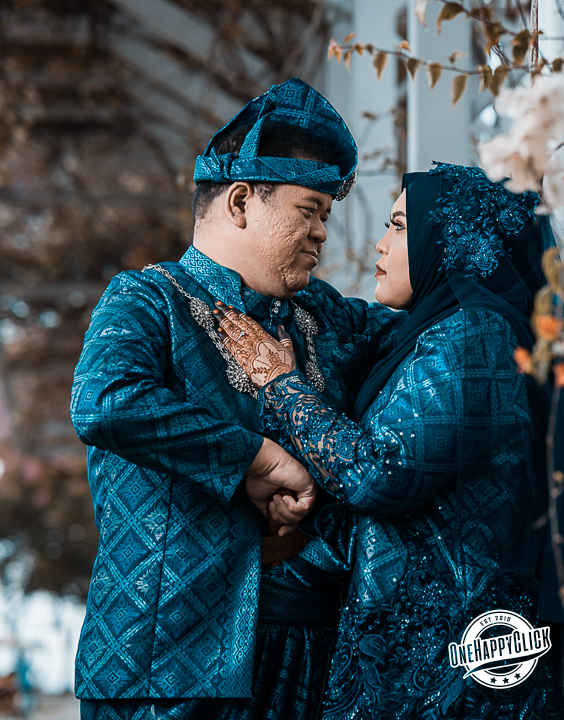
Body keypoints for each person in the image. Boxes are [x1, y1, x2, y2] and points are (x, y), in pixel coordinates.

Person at [216, 162, 564, 718]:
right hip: (421, 641)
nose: (381, 243)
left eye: (398, 226)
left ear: (450, 242)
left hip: (456, 654)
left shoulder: (476, 335)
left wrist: (280, 384)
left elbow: (378, 475)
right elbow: (344, 325)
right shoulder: (435, 332)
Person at [70, 78, 403, 720]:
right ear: (243, 201)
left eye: (326, 217)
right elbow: (106, 402)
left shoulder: (324, 316)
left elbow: (433, 338)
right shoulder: (147, 299)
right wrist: (257, 458)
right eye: (310, 211)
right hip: (164, 663)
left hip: (309, 659)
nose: (322, 235)